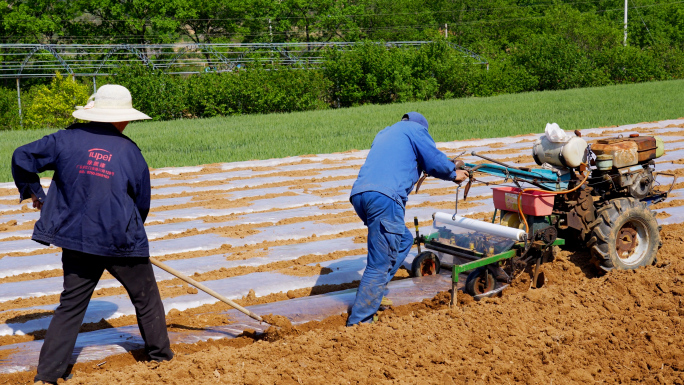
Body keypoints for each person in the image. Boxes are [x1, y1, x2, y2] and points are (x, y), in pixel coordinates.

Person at [12, 85, 173, 384]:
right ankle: (161, 359)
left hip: (77, 238)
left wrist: (36, 193)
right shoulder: (130, 152)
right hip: (120, 240)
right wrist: (132, 234)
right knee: (146, 298)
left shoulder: (64, 139)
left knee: (71, 305)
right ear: (121, 118)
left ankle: (47, 376)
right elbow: (142, 202)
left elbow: (22, 156)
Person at [346, 112, 468, 326]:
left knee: (403, 240)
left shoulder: (387, 132)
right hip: (385, 198)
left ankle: (376, 293)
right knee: (379, 263)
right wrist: (453, 173)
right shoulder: (416, 130)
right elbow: (433, 160)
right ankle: (360, 322)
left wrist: (450, 163)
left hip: (360, 195)